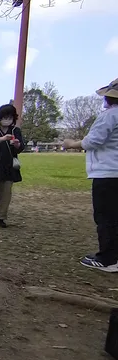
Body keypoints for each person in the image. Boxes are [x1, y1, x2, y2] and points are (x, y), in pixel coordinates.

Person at [63, 78, 118, 272]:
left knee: (106, 217)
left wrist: (71, 144)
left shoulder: (110, 116)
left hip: (108, 173)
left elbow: (93, 141)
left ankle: (108, 259)